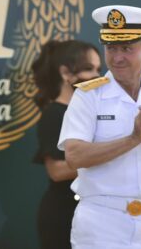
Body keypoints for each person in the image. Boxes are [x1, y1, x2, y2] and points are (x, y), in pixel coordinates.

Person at [58, 5, 141, 249]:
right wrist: (132, 139)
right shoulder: (89, 96)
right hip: (100, 222)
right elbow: (74, 156)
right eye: (111, 48)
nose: (117, 57)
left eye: (127, 49)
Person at [31, 40, 101, 249]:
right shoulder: (54, 113)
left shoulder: (92, 114)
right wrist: (107, 160)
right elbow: (56, 171)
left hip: (93, 214)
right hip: (64, 215)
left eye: (99, 69)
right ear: (66, 73)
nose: (96, 76)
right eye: (89, 69)